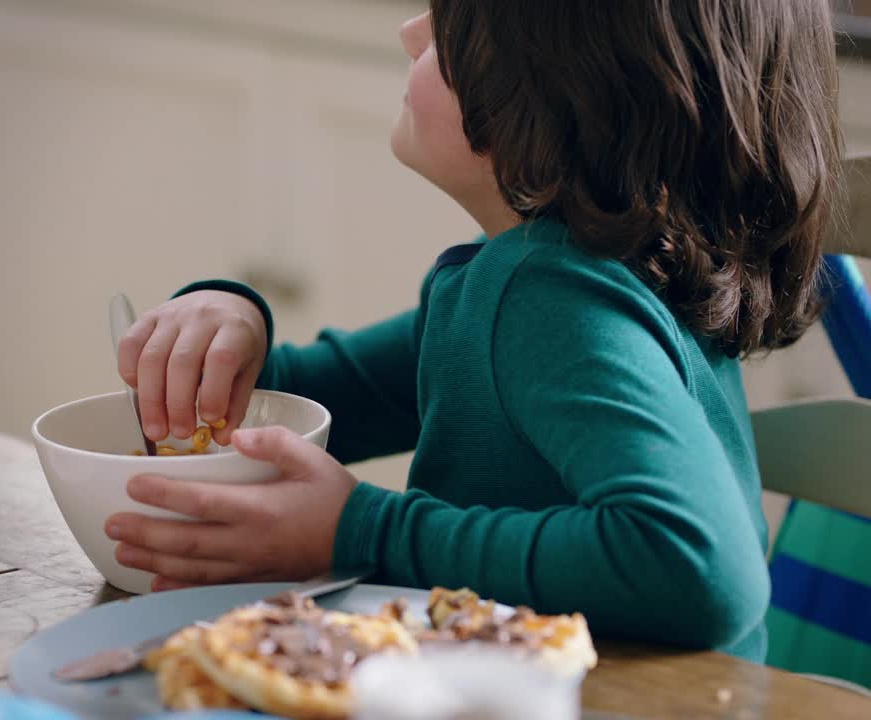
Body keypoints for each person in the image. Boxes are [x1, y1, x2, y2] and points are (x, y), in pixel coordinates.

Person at [106, 0, 843, 659]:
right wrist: (232, 316)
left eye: (449, 20)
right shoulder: (582, 274)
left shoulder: (552, 300)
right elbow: (293, 409)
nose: (409, 30)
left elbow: (700, 570)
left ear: (559, 87)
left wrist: (360, 532)